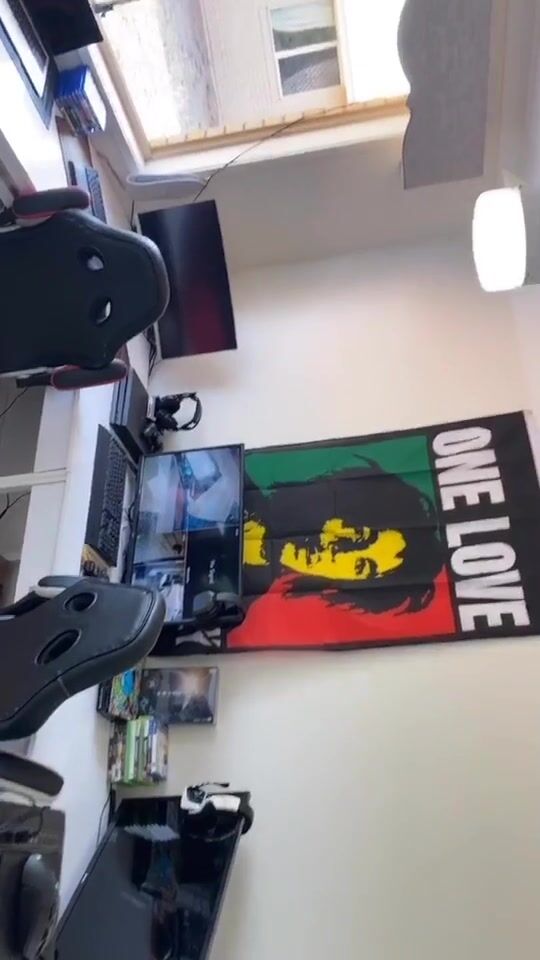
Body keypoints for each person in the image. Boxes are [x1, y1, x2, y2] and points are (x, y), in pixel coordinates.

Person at [242, 458, 444, 615]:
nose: (338, 552)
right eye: (359, 536)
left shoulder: (235, 605)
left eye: (360, 566)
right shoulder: (235, 478)